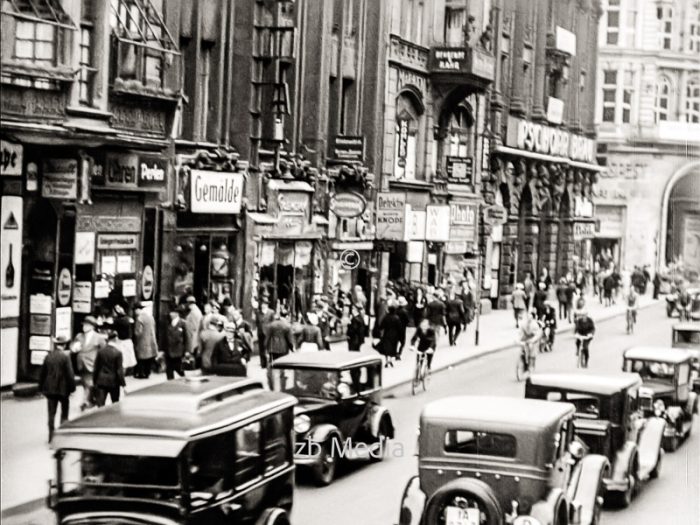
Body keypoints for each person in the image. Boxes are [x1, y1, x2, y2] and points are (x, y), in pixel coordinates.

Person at [39, 336, 76, 442]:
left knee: (51, 413)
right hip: (63, 390)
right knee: (64, 412)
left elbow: (43, 373)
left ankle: (51, 436)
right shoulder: (65, 357)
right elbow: (70, 374)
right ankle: (62, 435)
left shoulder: (48, 356)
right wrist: (72, 388)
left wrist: (41, 388)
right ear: (64, 345)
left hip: (50, 389)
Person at [71, 316, 106, 411]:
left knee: (89, 383)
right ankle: (91, 400)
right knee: (85, 382)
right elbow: (73, 348)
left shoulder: (98, 337)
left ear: (92, 326)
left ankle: (85, 401)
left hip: (92, 363)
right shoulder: (79, 336)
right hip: (81, 364)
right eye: (84, 325)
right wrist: (74, 348)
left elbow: (103, 351)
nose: (84, 327)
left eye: (86, 325)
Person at [93, 329, 126, 407]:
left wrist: (95, 381)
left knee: (100, 405)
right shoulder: (118, 353)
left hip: (101, 381)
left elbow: (96, 368)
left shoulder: (100, 351)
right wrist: (123, 384)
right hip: (114, 382)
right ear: (116, 339)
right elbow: (119, 370)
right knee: (115, 403)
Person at [133, 302, 158, 379]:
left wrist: (135, 338)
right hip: (151, 340)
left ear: (137, 310)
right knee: (149, 358)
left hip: (142, 341)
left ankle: (141, 373)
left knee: (141, 358)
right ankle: (147, 373)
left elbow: (138, 332)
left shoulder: (139, 318)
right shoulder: (150, 317)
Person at [164, 306, 189, 380]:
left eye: (172, 312)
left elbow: (187, 338)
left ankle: (184, 378)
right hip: (169, 349)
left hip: (178, 350)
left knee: (178, 367)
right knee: (169, 368)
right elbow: (164, 337)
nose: (170, 314)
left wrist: (187, 350)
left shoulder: (183, 323)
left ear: (176, 314)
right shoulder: (168, 323)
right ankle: (170, 381)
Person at [112, 304, 137, 374]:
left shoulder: (117, 321)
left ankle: (121, 375)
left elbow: (114, 330)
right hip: (128, 341)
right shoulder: (128, 319)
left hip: (121, 342)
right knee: (126, 360)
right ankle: (125, 374)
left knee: (122, 361)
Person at [255, 302, 275, 367]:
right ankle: (262, 363)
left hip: (268, 333)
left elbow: (273, 322)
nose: (262, 306)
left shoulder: (271, 312)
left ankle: (269, 362)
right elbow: (257, 322)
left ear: (267, 305)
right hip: (260, 332)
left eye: (264, 304)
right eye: (262, 304)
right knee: (261, 348)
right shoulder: (258, 312)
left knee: (268, 347)